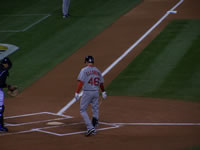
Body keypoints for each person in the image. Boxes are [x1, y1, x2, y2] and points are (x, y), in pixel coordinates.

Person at [74, 56, 107, 136]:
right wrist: (103, 92)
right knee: (95, 109)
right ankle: (94, 129)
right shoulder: (98, 71)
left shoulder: (84, 70)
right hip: (96, 92)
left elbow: (81, 82)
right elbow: (101, 83)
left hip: (87, 93)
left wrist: (77, 92)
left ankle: (90, 127)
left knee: (83, 110)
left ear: (86, 62)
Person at [0, 57, 13, 132]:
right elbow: (0, 83)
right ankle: (0, 126)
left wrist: (7, 86)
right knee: (0, 109)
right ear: (6, 64)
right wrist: (8, 87)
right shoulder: (4, 71)